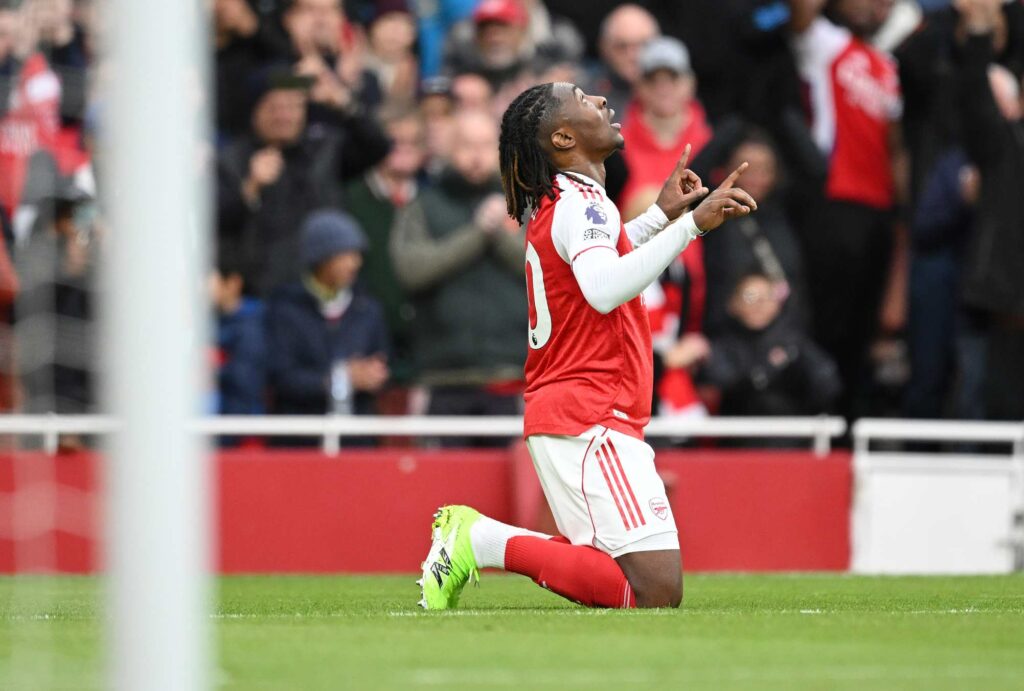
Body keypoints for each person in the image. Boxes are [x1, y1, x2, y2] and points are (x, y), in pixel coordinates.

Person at [417, 82, 757, 610]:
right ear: (562, 136)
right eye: (583, 98)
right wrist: (691, 225)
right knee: (655, 589)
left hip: (577, 411)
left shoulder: (573, 201)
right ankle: (479, 539)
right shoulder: (580, 203)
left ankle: (481, 539)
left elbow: (596, 267)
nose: (601, 101)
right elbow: (603, 289)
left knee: (639, 586)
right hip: (590, 413)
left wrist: (661, 217)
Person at [788, 0, 905, 419]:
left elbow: (895, 148)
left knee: (864, 329)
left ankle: (850, 425)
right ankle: (818, 420)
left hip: (879, 210)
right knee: (827, 321)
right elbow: (800, 15)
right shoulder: (828, 43)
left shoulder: (889, 65)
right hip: (834, 200)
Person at [390, 109, 526, 445]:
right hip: (442, 376)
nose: (477, 155)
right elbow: (411, 269)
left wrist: (500, 236)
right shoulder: (423, 205)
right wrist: (477, 233)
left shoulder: (525, 203)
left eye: (485, 145)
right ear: (449, 150)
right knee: (443, 490)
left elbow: (545, 270)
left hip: (510, 375)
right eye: (467, 145)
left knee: (507, 491)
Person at [216, 66, 391, 296]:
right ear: (254, 111)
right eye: (273, 107)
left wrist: (344, 103)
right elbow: (215, 222)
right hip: (263, 297)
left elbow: (377, 146)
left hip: (323, 291)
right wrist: (250, 189)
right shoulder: (231, 160)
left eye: (293, 106)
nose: (284, 116)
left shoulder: (324, 148)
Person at [265, 210, 390, 425]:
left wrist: (375, 374)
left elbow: (385, 362)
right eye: (345, 255)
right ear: (321, 258)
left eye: (357, 254)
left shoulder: (368, 310)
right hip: (301, 437)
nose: (355, 263)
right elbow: (282, 377)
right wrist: (341, 380)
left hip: (356, 439)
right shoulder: (286, 310)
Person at [701, 272, 840, 420]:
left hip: (790, 434)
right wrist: (766, 371)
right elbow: (720, 384)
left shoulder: (794, 342)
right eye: (751, 296)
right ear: (733, 303)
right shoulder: (722, 345)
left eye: (768, 296)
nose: (760, 304)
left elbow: (827, 381)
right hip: (738, 434)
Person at [618, 36, 712, 213]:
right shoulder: (615, 146)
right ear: (638, 86)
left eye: (673, 77)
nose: (663, 87)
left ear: (690, 83)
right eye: (652, 79)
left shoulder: (710, 143)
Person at [586, 4, 660, 116]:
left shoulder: (676, 94)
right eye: (622, 46)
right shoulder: (585, 100)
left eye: (643, 45)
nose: (633, 55)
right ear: (604, 48)